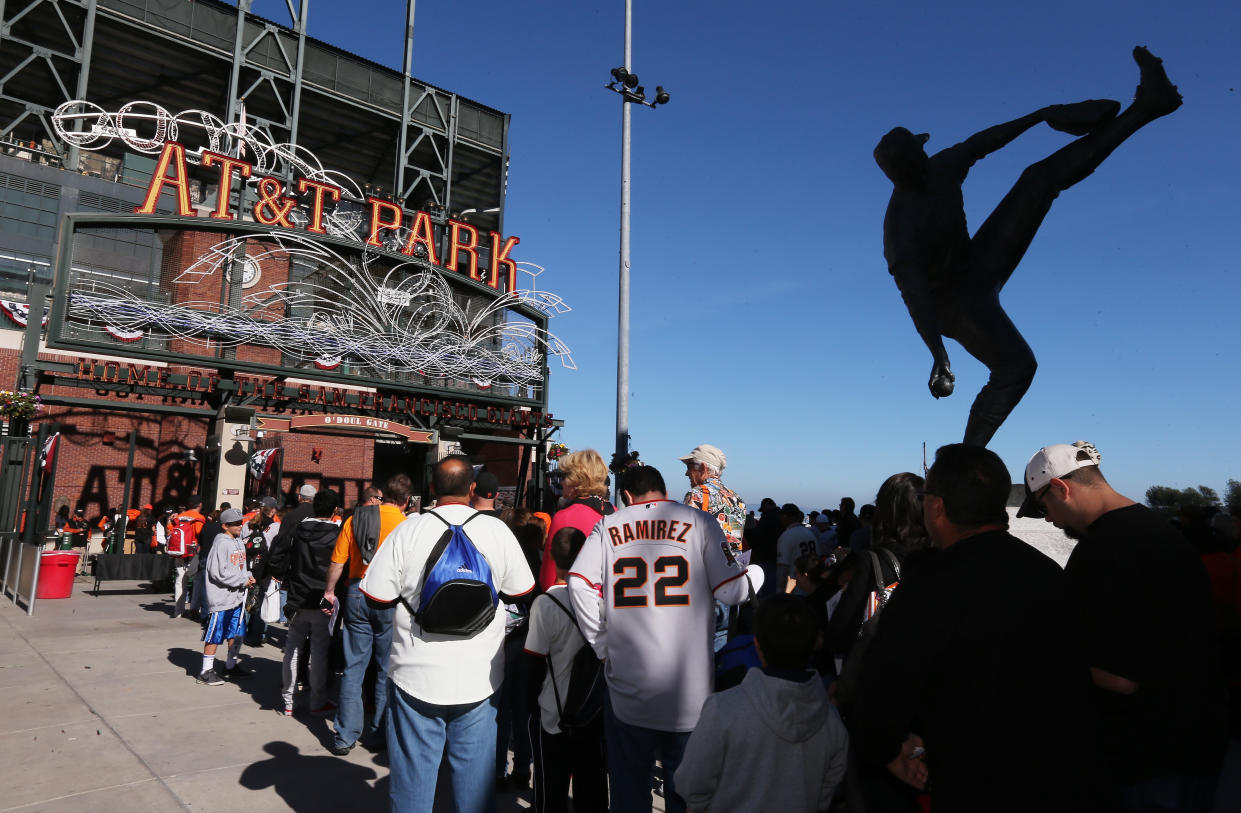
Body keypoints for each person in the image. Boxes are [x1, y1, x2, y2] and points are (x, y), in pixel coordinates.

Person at [877, 47, 1182, 446]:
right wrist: (939, 355)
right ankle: (967, 460)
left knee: (1038, 178)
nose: (929, 154)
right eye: (922, 152)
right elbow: (916, 298)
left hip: (976, 263)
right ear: (911, 167)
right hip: (953, 305)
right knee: (1016, 366)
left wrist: (1043, 114)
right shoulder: (901, 229)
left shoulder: (941, 167)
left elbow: (984, 142)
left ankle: (1148, 108)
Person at [851, 444, 1093, 811]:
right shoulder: (1049, 574)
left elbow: (882, 687)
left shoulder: (931, 585)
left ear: (937, 506)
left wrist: (885, 750)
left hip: (971, 782)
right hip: (1058, 777)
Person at [1017, 441, 1228, 811]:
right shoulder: (1157, 530)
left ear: (1060, 488)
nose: (1049, 519)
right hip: (1196, 742)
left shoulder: (1105, 549)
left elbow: (1118, 676)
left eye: (1042, 507)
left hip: (1148, 760)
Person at [566, 464, 764, 813]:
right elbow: (733, 591)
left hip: (628, 684)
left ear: (626, 496)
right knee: (686, 795)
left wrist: (600, 643)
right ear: (663, 490)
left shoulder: (608, 525)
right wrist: (758, 574)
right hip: (688, 692)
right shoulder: (700, 523)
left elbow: (578, 582)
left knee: (629, 793)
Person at [359, 455, 535, 813]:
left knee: (411, 782)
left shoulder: (409, 528)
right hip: (480, 677)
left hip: (414, 673)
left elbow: (376, 597)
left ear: (433, 488)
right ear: (472, 489)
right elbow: (521, 592)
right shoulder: (496, 530)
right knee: (474, 788)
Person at [673, 594, 848, 813]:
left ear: (756, 644)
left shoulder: (723, 709)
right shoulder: (833, 723)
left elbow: (691, 785)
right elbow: (825, 795)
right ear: (815, 643)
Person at [321, 474, 413, 755]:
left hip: (357, 592)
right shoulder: (407, 526)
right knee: (387, 669)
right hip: (389, 597)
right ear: (406, 500)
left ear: (382, 494)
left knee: (353, 667)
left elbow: (338, 560)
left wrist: (329, 590)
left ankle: (345, 734)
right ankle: (378, 733)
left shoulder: (354, 519)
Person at [523, 526, 607, 813]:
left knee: (551, 788)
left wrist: (528, 705)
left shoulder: (544, 604)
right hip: (592, 710)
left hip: (552, 711)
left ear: (551, 556)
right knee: (592, 786)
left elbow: (533, 661)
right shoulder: (599, 602)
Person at [269, 488, 341, 717]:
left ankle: (288, 701)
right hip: (323, 597)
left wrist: (284, 576)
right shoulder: (338, 534)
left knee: (293, 647)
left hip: (297, 596)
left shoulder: (296, 529)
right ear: (334, 511)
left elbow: (277, 555)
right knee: (319, 651)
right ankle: (317, 700)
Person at [540, 449, 613, 590]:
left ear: (577, 480)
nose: (561, 482)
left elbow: (548, 580)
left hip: (574, 603)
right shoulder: (614, 512)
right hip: (609, 604)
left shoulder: (565, 517)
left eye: (564, 476)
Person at [197, 507, 255, 685]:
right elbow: (217, 573)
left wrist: (247, 576)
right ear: (225, 526)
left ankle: (230, 666)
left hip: (237, 597)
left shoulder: (238, 541)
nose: (240, 525)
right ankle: (205, 671)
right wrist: (241, 581)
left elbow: (240, 567)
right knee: (215, 634)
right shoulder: (221, 543)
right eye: (236, 523)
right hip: (221, 598)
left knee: (237, 634)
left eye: (241, 522)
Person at [170, 496, 206, 619]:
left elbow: (171, 531)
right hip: (193, 552)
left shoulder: (179, 516)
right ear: (199, 505)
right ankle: (194, 609)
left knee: (180, 581)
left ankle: (178, 610)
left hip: (179, 551)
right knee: (197, 581)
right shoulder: (199, 518)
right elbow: (199, 534)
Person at [775, 503, 817, 594]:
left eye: (782, 515)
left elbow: (783, 567)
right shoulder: (809, 533)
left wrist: (780, 590)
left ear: (786, 517)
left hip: (794, 587)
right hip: (811, 584)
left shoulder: (787, 536)